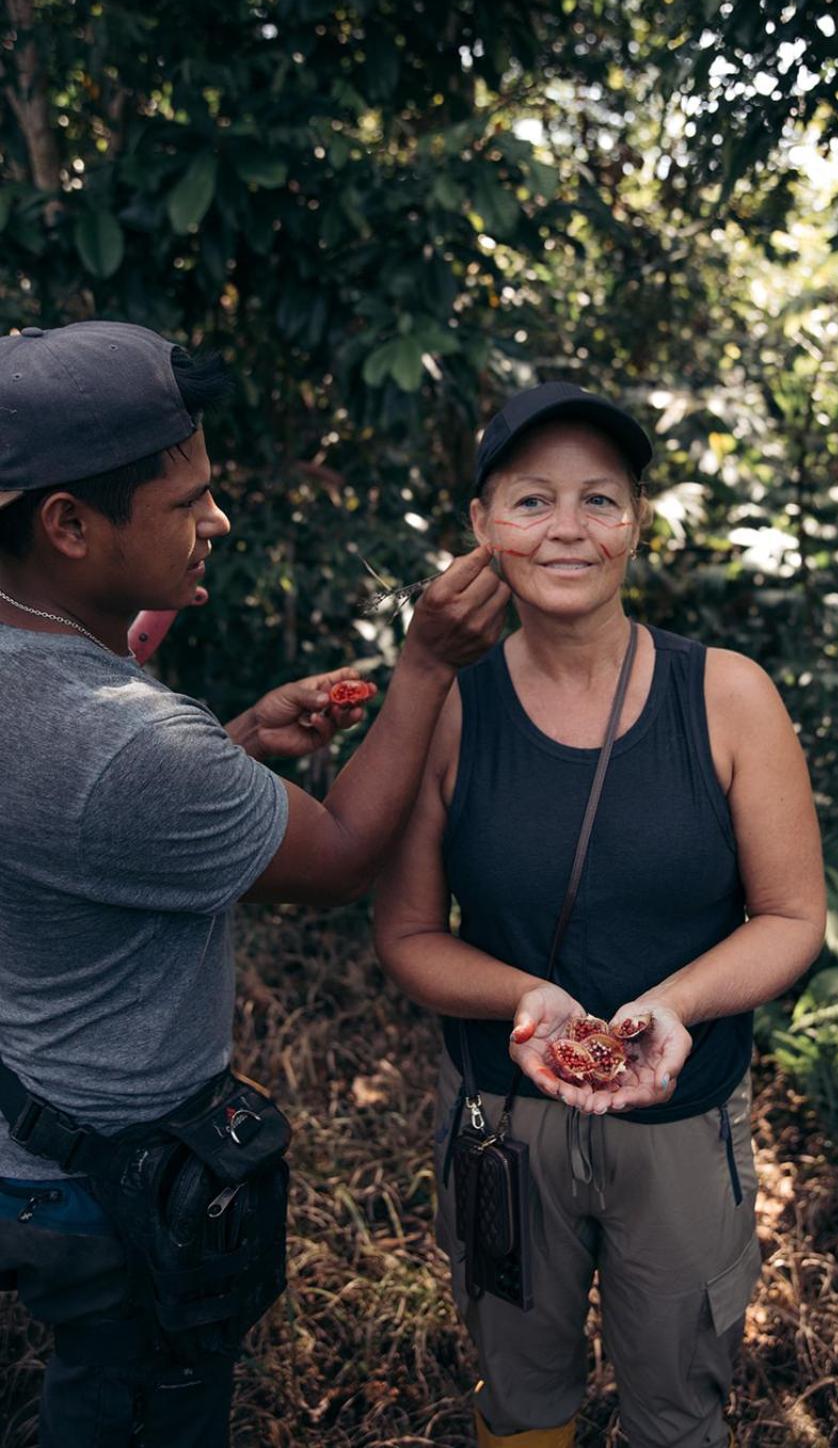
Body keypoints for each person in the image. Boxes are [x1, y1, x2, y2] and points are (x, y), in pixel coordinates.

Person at [0, 321, 509, 1447]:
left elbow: (82, 829)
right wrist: (426, 662)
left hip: (29, 1133)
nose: (217, 520)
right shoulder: (119, 740)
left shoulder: (42, 680)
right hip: (109, 1184)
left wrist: (231, 742)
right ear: (69, 524)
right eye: (187, 501)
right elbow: (333, 862)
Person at [374, 381, 827, 1448]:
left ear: (638, 523)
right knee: (523, 1395)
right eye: (532, 501)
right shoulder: (445, 706)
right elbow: (407, 934)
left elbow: (793, 914)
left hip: (681, 1117)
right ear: (482, 526)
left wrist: (670, 1006)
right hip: (502, 1117)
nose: (568, 528)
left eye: (600, 499)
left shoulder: (725, 696)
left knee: (678, 1403)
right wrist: (527, 996)